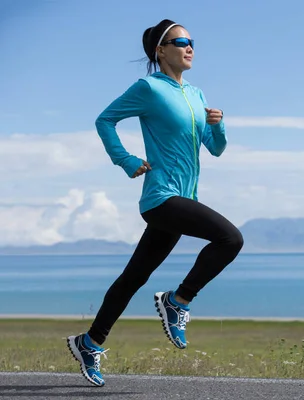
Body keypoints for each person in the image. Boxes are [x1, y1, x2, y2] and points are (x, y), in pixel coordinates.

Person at [66, 19, 244, 387]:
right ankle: (178, 301)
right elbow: (105, 120)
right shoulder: (148, 88)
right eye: (180, 41)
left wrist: (219, 124)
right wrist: (126, 160)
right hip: (162, 197)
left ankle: (90, 342)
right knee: (230, 239)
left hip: (184, 198)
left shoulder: (196, 94)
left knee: (134, 276)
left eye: (192, 41)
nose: (189, 47)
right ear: (160, 51)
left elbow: (216, 149)